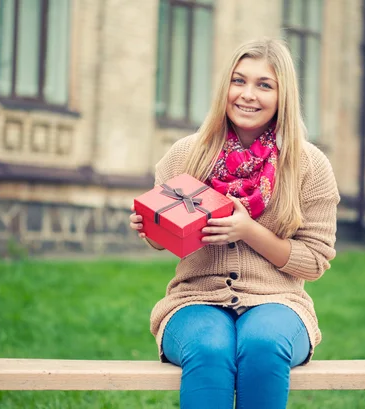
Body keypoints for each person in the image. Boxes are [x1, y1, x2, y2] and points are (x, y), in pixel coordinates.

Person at [129, 38, 339, 409]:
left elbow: (315, 261)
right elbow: (165, 240)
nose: (247, 95)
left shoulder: (310, 165)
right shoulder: (186, 154)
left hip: (279, 302)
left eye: (264, 85)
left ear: (283, 95)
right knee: (210, 347)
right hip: (195, 299)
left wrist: (249, 232)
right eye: (238, 81)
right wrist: (151, 229)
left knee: (262, 344)